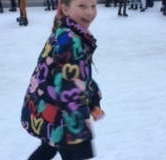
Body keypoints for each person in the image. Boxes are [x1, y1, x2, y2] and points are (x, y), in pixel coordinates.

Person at [21, 0, 105, 159]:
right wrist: (79, 138)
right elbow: (70, 90)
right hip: (62, 117)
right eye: (82, 6)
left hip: (48, 109)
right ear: (65, 9)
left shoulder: (66, 31)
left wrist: (93, 98)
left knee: (48, 148)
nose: (90, 12)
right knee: (60, 150)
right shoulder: (71, 42)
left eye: (93, 6)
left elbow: (76, 76)